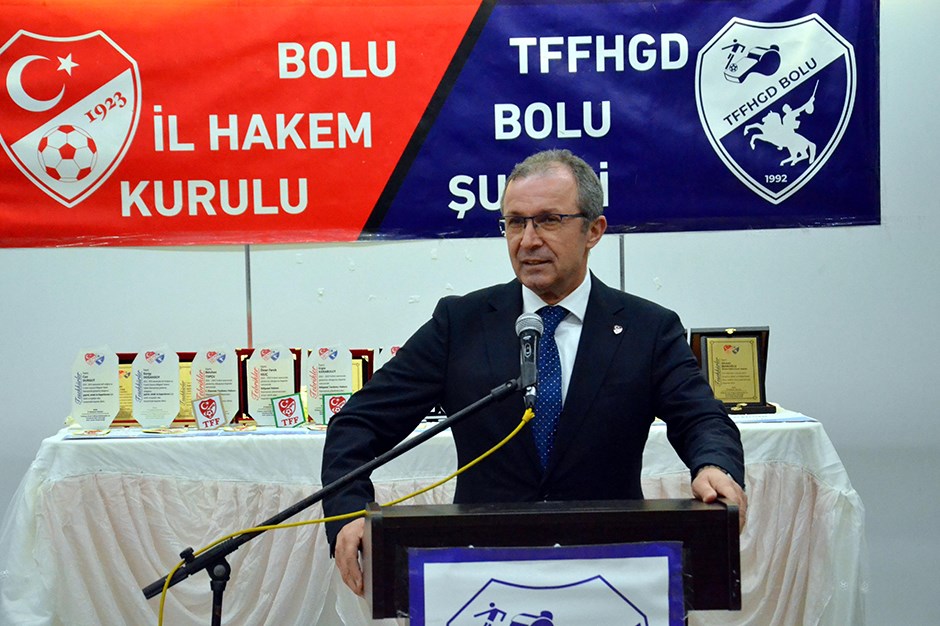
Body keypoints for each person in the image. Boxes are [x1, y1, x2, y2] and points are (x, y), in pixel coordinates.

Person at [321, 149, 747, 596]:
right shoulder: (460, 324)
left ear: (594, 230)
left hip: (610, 571)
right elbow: (360, 423)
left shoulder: (648, 328)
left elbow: (701, 418)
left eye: (548, 220)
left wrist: (714, 465)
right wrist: (349, 511)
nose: (527, 240)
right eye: (515, 222)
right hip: (480, 575)